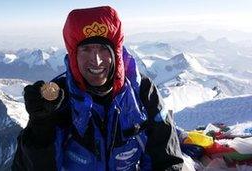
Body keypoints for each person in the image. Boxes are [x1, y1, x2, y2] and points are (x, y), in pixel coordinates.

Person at [12, 6, 183, 171]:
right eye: (85, 49)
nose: (96, 60)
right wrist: (40, 126)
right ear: (74, 56)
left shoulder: (142, 92)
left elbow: (166, 160)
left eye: (103, 49)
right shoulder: (60, 99)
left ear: (116, 53)